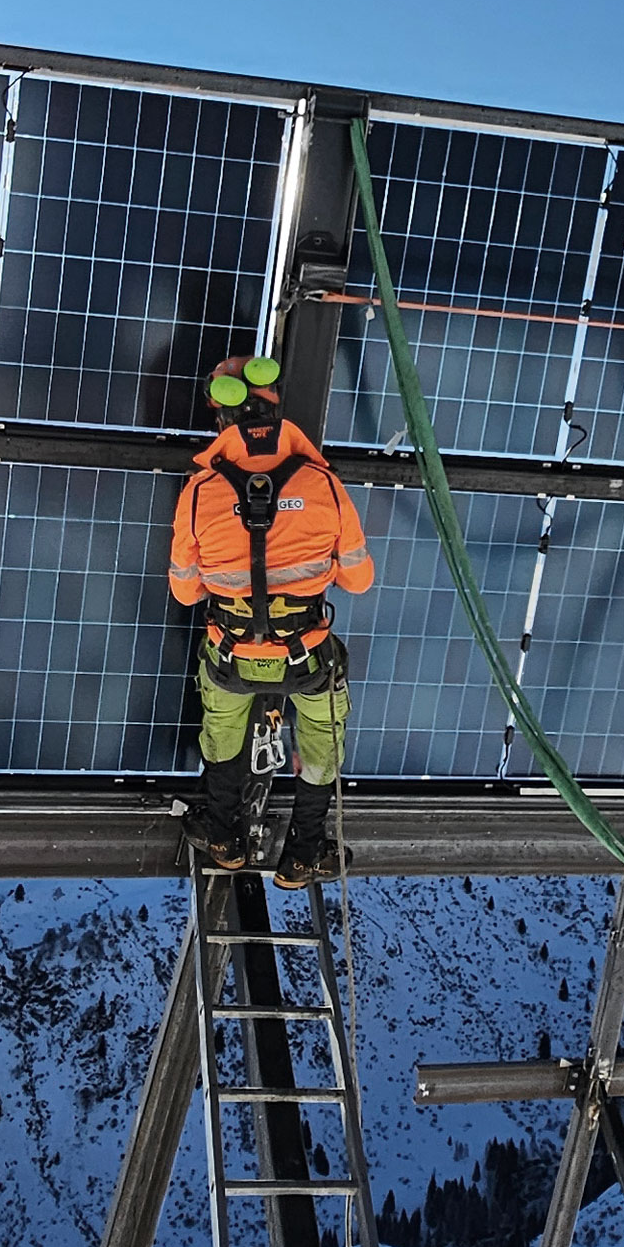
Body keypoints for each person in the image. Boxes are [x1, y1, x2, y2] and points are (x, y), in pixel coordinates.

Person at [165, 353, 374, 885]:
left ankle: (224, 835)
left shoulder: (200, 493)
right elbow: (358, 579)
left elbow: (186, 592)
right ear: (275, 407)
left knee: (223, 728)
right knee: (322, 739)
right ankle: (304, 851)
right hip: (307, 659)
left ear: (221, 418)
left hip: (233, 656)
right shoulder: (324, 485)